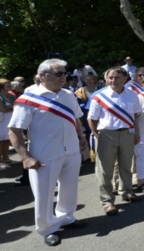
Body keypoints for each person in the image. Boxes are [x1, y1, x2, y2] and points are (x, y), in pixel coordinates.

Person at [8, 58, 88, 246]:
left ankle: (66, 217)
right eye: (58, 74)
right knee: (44, 194)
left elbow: (76, 117)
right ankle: (47, 228)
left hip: (71, 149)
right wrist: (25, 157)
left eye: (65, 74)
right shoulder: (28, 98)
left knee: (69, 188)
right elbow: (15, 130)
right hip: (44, 153)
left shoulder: (68, 94)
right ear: (43, 75)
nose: (64, 77)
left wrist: (82, 136)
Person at [88, 66, 142, 215]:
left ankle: (126, 192)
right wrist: (97, 135)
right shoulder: (99, 96)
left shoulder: (132, 95)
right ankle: (107, 201)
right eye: (110, 77)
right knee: (105, 170)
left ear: (124, 79)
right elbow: (91, 119)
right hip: (107, 135)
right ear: (106, 79)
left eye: (117, 77)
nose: (113, 80)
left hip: (127, 134)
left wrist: (136, 134)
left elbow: (135, 117)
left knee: (126, 165)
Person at [0, 79, 16, 167]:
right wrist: (13, 108)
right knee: (1, 141)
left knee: (7, 140)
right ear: (2, 87)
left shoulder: (11, 95)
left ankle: (6, 158)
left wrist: (12, 108)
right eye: (8, 86)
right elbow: (3, 109)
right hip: (1, 121)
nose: (10, 87)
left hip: (9, 120)